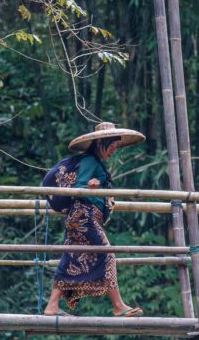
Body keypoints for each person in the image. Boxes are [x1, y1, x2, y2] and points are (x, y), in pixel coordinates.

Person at [43, 122, 146, 317]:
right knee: (108, 254)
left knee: (70, 257)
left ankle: (52, 306)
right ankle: (118, 306)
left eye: (116, 147)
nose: (114, 151)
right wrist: (92, 185)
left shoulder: (94, 162)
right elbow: (80, 186)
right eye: (112, 146)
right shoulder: (90, 161)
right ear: (101, 143)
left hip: (80, 218)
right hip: (84, 216)